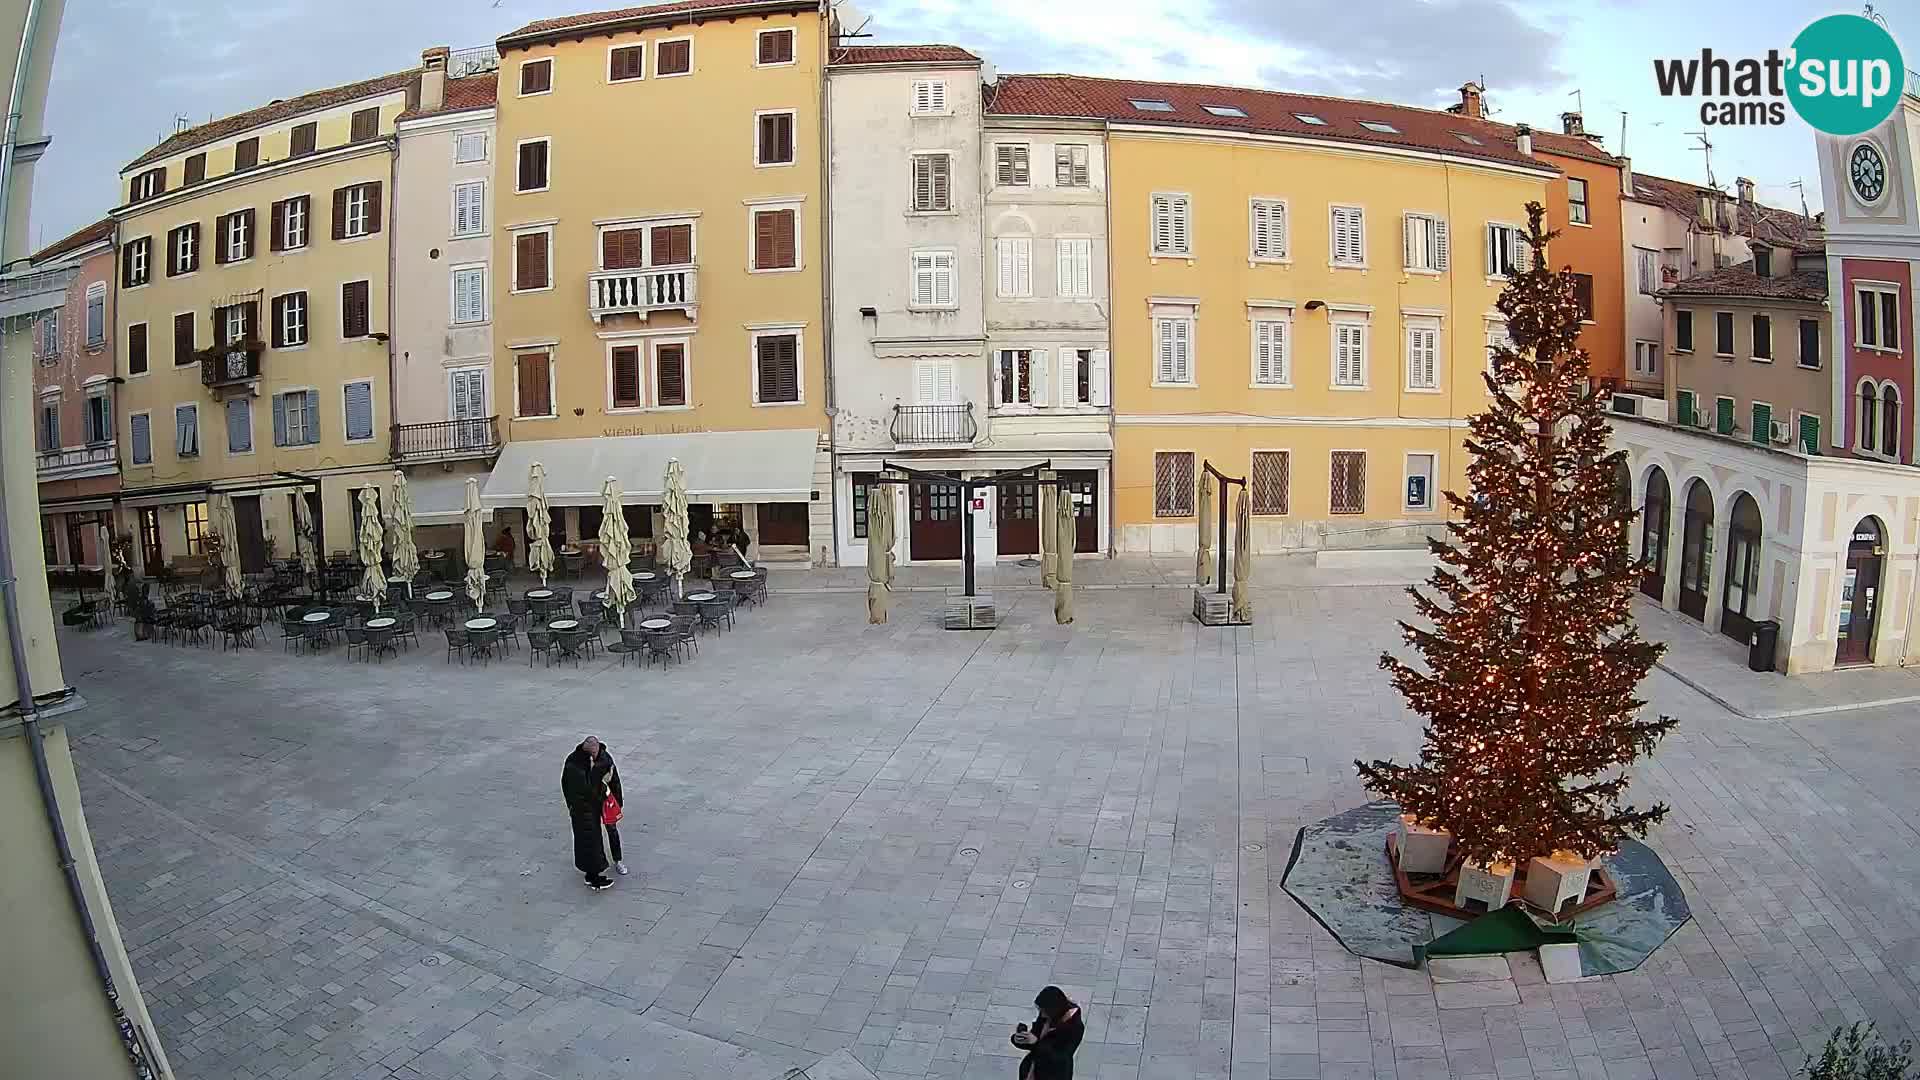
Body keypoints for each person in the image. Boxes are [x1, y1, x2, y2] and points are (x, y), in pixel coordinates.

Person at [561, 736, 626, 889]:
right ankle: (593, 876)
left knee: (609, 830)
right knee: (589, 840)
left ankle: (616, 861)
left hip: (601, 803)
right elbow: (581, 789)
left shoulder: (604, 759)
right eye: (592, 754)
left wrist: (617, 802)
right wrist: (573, 805)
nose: (595, 757)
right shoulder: (575, 764)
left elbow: (614, 780)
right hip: (585, 809)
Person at [1010, 985, 1083, 1079]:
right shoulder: (1048, 1016)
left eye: (1044, 1011)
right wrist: (1019, 1039)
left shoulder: (1074, 1027)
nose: (1042, 1015)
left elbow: (1060, 1057)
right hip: (1033, 1070)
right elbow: (1035, 1036)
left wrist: (1036, 1043)